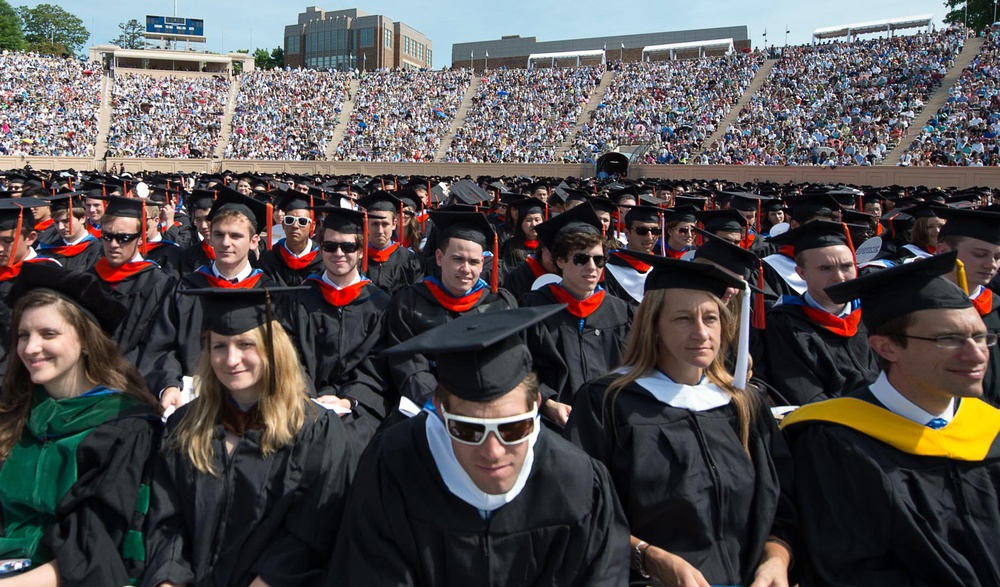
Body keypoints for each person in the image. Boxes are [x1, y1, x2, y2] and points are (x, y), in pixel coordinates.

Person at [331, 306, 630, 586]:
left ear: (537, 405)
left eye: (514, 428)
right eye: (466, 429)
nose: (493, 451)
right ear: (439, 409)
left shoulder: (578, 483)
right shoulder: (392, 468)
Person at [565, 256, 797, 587]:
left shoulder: (744, 405)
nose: (701, 333)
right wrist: (649, 558)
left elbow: (782, 508)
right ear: (653, 325)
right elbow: (583, 513)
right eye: (683, 319)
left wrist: (777, 559)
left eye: (711, 318)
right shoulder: (607, 404)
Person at [781, 251, 1000, 587]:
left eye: (980, 337)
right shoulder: (835, 440)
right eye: (948, 339)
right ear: (886, 348)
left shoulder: (990, 429)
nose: (975, 355)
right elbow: (851, 570)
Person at [142, 288, 354, 587]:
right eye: (218, 346)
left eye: (245, 344)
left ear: (272, 349)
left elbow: (312, 534)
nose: (231, 359)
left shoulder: (316, 431)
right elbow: (168, 523)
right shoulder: (185, 425)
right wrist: (168, 581)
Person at [0, 263, 161, 586]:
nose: (30, 348)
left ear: (86, 341)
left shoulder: (124, 426)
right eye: (23, 335)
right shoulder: (15, 415)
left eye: (48, 334)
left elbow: (92, 547)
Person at [141, 189, 278, 412]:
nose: (225, 243)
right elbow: (162, 347)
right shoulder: (186, 288)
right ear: (210, 236)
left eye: (235, 236)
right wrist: (169, 384)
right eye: (219, 234)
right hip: (192, 399)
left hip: (256, 402)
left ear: (254, 241)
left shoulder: (269, 292)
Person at [282, 206, 392, 456]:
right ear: (321, 248)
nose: (338, 253)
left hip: (360, 405)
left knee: (354, 448)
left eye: (348, 247)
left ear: (361, 250)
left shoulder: (379, 305)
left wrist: (349, 400)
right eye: (330, 246)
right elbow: (290, 356)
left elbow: (378, 364)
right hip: (303, 400)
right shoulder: (300, 299)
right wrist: (309, 398)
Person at [385, 210, 518, 412]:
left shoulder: (500, 303)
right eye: (457, 259)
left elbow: (511, 361)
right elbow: (409, 363)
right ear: (439, 257)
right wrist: (438, 402)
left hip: (487, 406)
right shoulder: (410, 301)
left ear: (482, 263)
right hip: (427, 405)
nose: (466, 269)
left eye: (474, 262)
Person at [520, 203, 630, 420]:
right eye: (581, 259)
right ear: (560, 260)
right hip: (553, 424)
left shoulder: (620, 312)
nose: (592, 267)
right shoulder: (534, 309)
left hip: (609, 420)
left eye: (599, 260)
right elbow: (520, 367)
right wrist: (547, 402)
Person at [763, 221, 879, 405]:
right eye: (825, 268)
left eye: (847, 266)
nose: (839, 277)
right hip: (832, 423)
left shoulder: (873, 313)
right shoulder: (785, 322)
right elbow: (802, 390)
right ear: (801, 273)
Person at [87, 197, 176, 365]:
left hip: (133, 378)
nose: (113, 244)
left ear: (141, 238)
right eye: (107, 236)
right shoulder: (89, 279)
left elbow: (157, 345)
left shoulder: (159, 284)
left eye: (124, 237)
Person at [934, 207, 1000, 406]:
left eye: (998, 257)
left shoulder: (995, 306)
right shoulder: (917, 307)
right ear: (944, 251)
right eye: (980, 254)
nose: (992, 265)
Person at [357, 191, 424, 297]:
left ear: (394, 224)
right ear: (367, 224)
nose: (380, 230)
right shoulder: (357, 258)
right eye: (375, 224)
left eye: (385, 224)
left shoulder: (410, 260)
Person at [257, 192, 323, 286]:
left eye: (302, 221)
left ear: (312, 226)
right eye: (289, 220)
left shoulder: (322, 258)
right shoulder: (269, 257)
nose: (295, 226)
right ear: (283, 225)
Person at [35, 194, 102, 273]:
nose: (60, 227)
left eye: (66, 221)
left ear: (82, 218)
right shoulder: (47, 249)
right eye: (56, 222)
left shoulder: (98, 250)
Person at [499, 197, 546, 277]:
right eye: (528, 220)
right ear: (520, 223)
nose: (533, 224)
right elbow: (507, 274)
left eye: (537, 220)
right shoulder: (510, 246)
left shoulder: (548, 245)